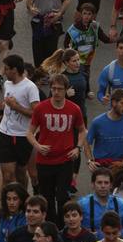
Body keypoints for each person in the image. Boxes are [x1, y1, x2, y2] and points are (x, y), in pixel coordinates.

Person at [26, 73, 86, 223]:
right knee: (47, 197)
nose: (56, 92)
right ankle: (50, 226)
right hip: (44, 161)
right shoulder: (41, 108)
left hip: (65, 160)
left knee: (62, 197)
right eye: (53, 88)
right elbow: (29, 133)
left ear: (66, 90)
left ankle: (63, 225)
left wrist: (77, 148)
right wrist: (38, 146)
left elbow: (82, 130)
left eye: (60, 89)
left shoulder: (74, 109)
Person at [0, 54, 40, 186]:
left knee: (21, 173)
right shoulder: (7, 84)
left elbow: (37, 114)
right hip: (4, 134)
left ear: (14, 70)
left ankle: (23, 200)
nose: (4, 71)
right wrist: (2, 107)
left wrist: (16, 107)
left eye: (6, 69)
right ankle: (8, 204)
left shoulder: (30, 87)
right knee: (8, 176)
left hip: (22, 136)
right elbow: (8, 108)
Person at [85, 89, 123, 167]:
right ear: (114, 102)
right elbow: (87, 143)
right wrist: (90, 161)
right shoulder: (97, 122)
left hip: (122, 166)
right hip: (102, 166)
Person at [77, 169, 123, 240]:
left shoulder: (121, 204)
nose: (103, 186)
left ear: (111, 185)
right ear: (93, 184)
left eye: (106, 183)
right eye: (99, 182)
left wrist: (122, 233)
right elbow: (73, 226)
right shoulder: (82, 204)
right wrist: (85, 234)